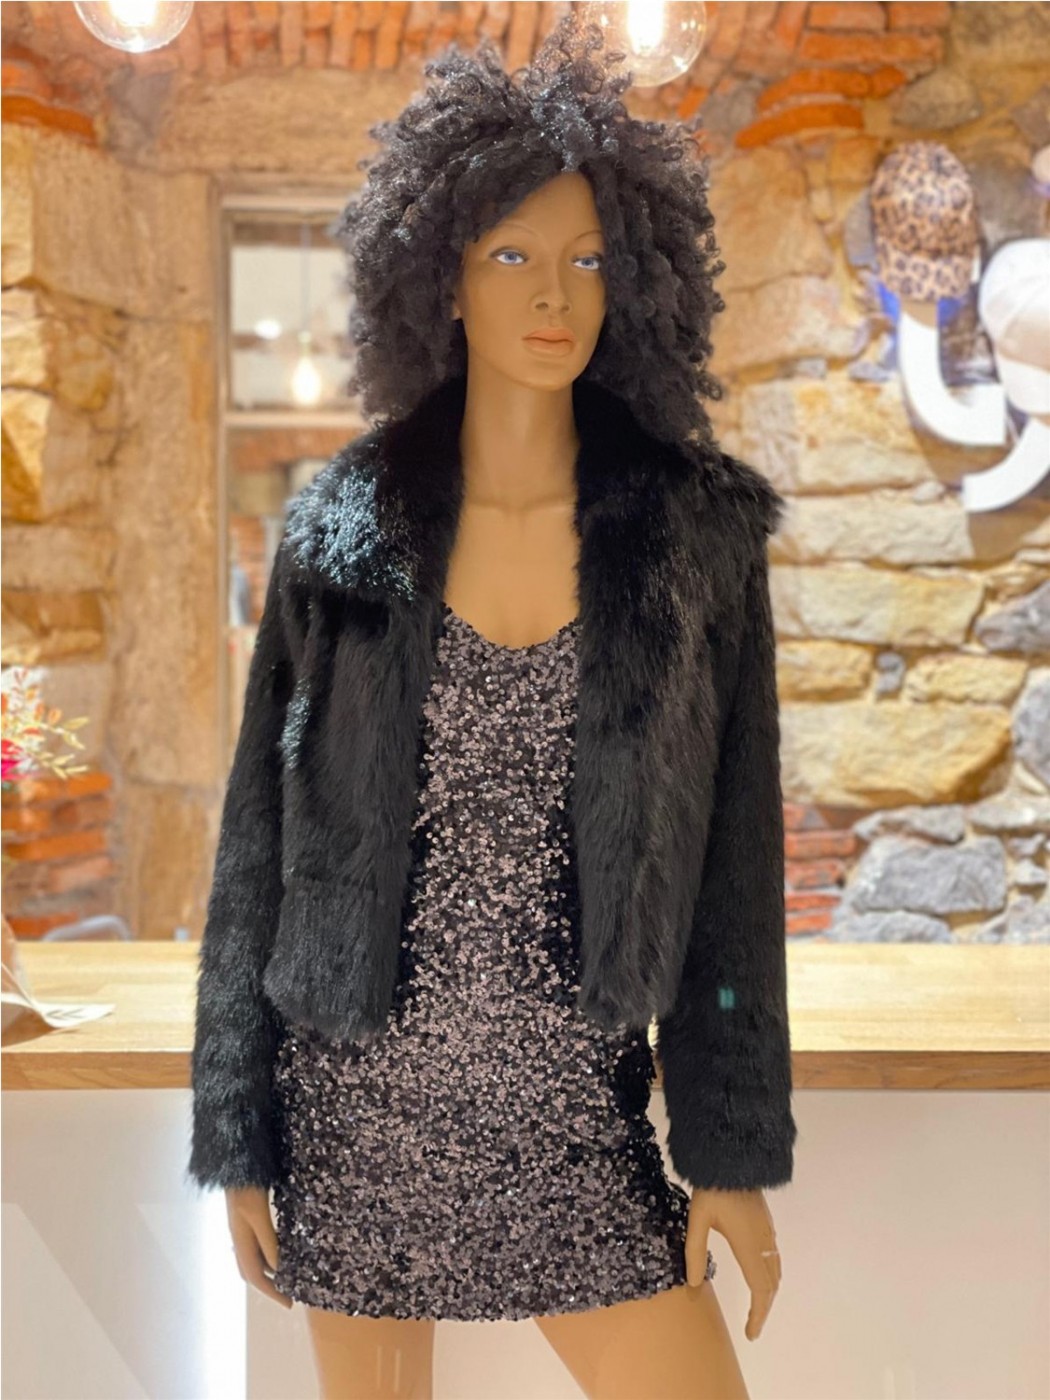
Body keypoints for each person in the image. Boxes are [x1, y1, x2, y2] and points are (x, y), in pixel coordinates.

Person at [188, 16, 796, 1400]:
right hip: (355, 1116)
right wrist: (238, 1130)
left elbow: (731, 872)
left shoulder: (694, 539)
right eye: (512, 255)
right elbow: (256, 854)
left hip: (579, 1121)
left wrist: (727, 1151)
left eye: (589, 258)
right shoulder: (341, 532)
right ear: (442, 279)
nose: (554, 294)